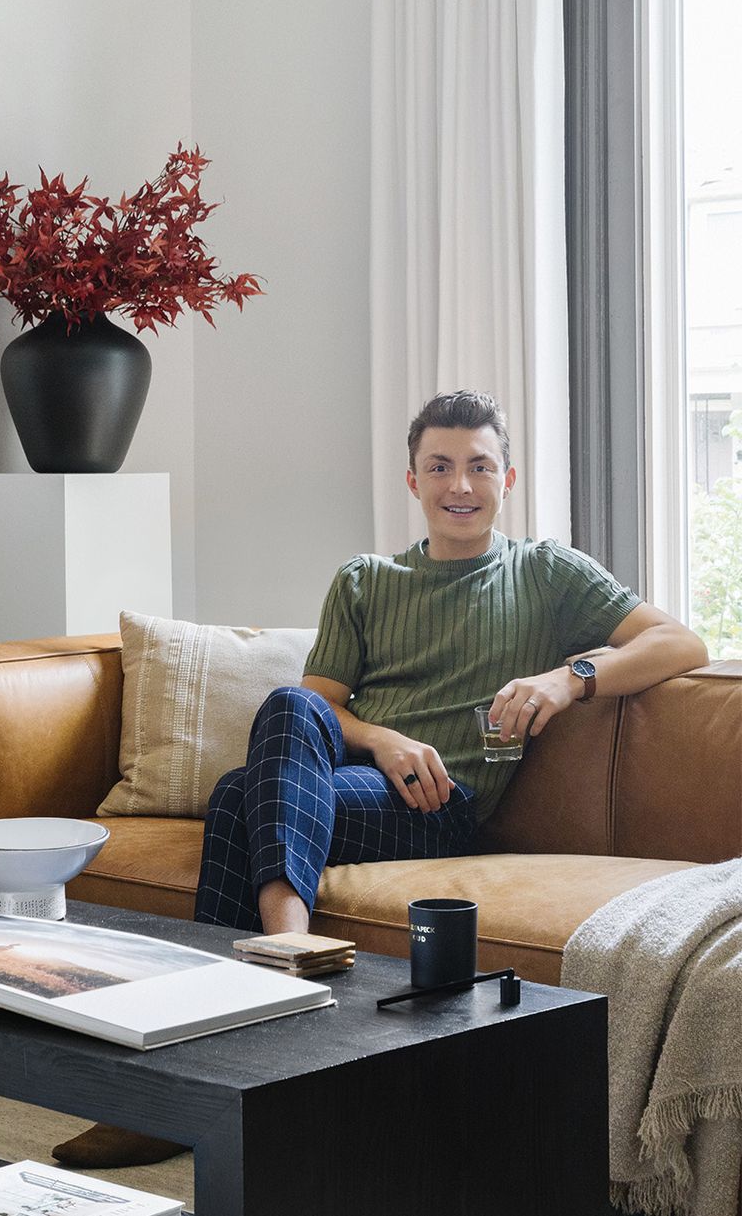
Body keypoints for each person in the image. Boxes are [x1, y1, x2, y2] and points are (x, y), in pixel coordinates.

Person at [53, 388, 707, 1167]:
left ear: (509, 478)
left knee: (235, 796)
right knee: (289, 706)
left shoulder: (547, 572)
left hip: (439, 804)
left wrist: (569, 679)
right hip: (344, 780)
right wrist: (385, 737)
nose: (460, 485)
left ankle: (169, 1091)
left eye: (478, 466)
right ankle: (288, 945)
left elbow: (680, 641)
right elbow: (322, 708)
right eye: (440, 466)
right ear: (412, 481)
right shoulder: (364, 580)